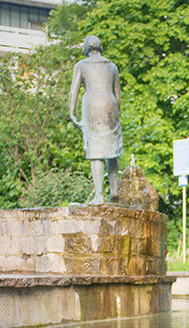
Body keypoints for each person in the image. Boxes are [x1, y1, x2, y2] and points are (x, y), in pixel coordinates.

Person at [68, 35, 123, 204]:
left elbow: (74, 90)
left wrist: (72, 112)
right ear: (100, 48)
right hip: (109, 102)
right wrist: (115, 112)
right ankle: (115, 190)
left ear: (86, 48)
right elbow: (118, 94)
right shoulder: (111, 66)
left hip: (92, 104)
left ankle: (99, 196)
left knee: (95, 151)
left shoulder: (81, 65)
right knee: (111, 149)